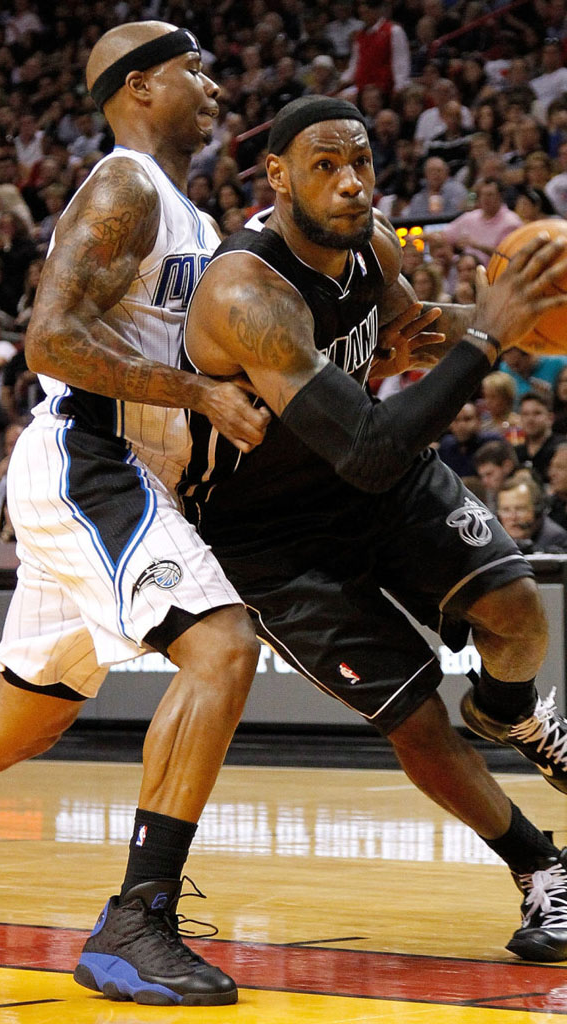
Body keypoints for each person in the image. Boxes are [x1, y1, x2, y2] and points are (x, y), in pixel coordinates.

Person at [0, 21, 269, 1008]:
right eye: (195, 68)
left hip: (124, 465)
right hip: (91, 453)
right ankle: (133, 926)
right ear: (140, 86)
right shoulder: (124, 186)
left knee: (19, 717)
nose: (214, 84)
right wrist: (196, 398)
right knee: (223, 646)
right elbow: (50, 339)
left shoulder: (185, 210)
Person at [179, 95, 567, 963]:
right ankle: (543, 870)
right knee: (417, 720)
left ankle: (511, 716)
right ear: (276, 175)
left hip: (376, 479)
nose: (351, 182)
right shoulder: (247, 292)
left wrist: (514, 326)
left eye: (361, 162)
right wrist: (492, 340)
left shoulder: (373, 243)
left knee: (518, 609)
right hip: (272, 535)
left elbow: (413, 338)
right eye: (326, 165)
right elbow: (364, 445)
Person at [497, 474, 567, 553]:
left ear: (537, 510)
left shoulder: (556, 539)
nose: (513, 517)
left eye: (520, 509)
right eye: (506, 510)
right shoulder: (493, 539)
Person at [437, 401, 500, 478]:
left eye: (467, 419)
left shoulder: (492, 443)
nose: (461, 425)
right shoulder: (446, 445)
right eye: (456, 420)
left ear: (479, 421)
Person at [515, 391, 566, 484]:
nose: (530, 419)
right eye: (525, 414)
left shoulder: (562, 448)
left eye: (537, 413)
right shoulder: (516, 452)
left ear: (550, 418)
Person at [473, 438, 520, 510]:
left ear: (507, 466)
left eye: (489, 474)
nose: (484, 481)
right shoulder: (490, 495)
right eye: (482, 476)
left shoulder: (525, 492)